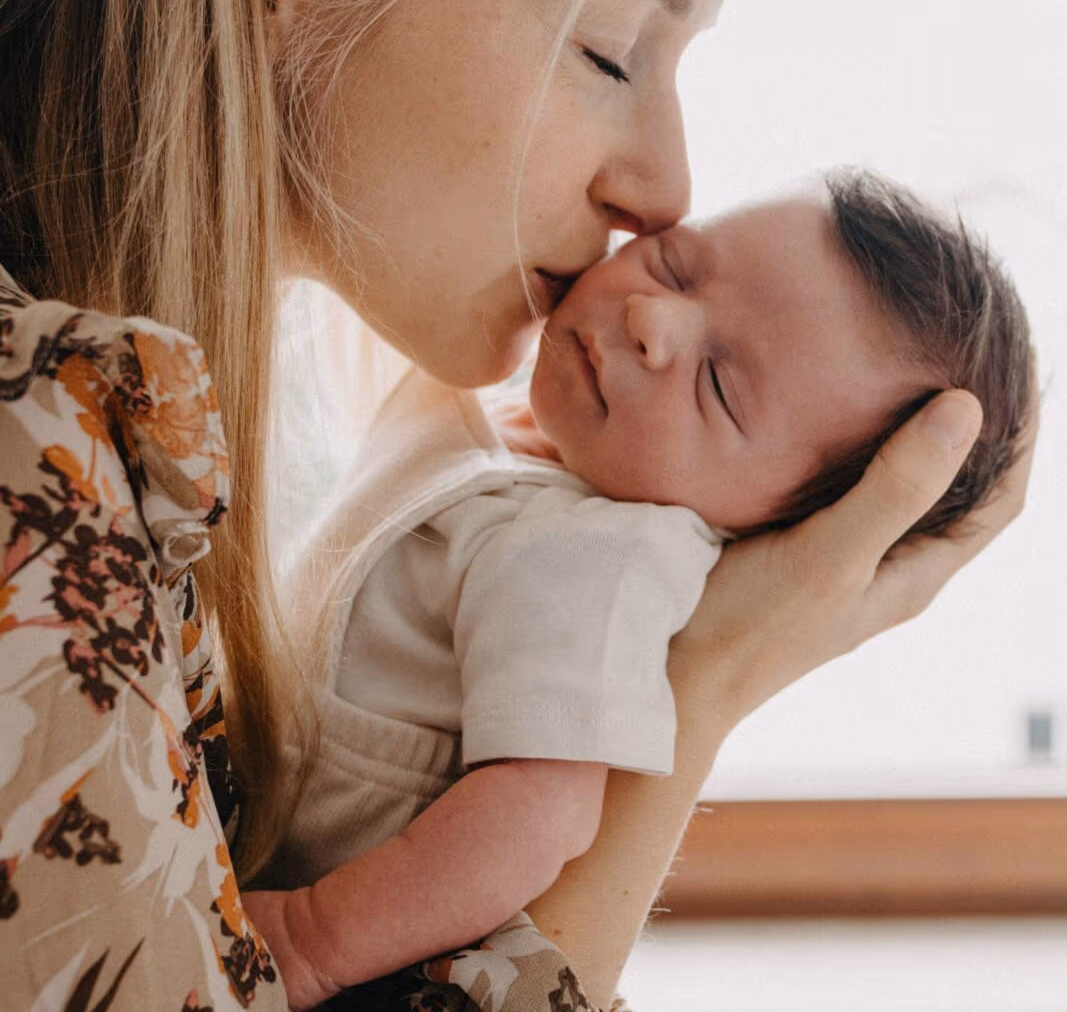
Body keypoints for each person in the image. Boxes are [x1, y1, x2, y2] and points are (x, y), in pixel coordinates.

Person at [0, 0, 1034, 1012]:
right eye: (608, 48)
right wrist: (699, 699)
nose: (662, 190)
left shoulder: (134, 433)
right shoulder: (32, 465)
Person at [245, 168, 1034, 1008]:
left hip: (338, 938)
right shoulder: (530, 439)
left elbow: (539, 815)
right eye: (675, 266)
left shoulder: (603, 560)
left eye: (719, 386)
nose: (651, 321)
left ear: (776, 530)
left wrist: (313, 937)